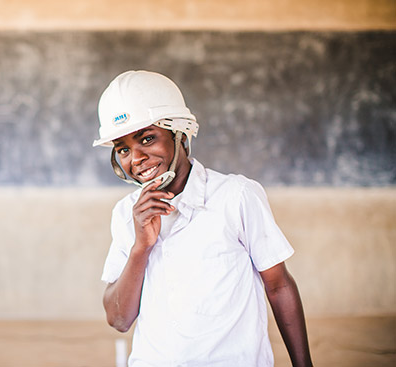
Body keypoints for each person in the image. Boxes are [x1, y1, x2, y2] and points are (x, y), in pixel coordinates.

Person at [93, 70, 313, 367]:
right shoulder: (125, 214)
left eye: (147, 138)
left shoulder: (235, 196)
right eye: (123, 149)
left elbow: (279, 286)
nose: (136, 158)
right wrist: (141, 248)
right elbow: (119, 319)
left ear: (180, 134)